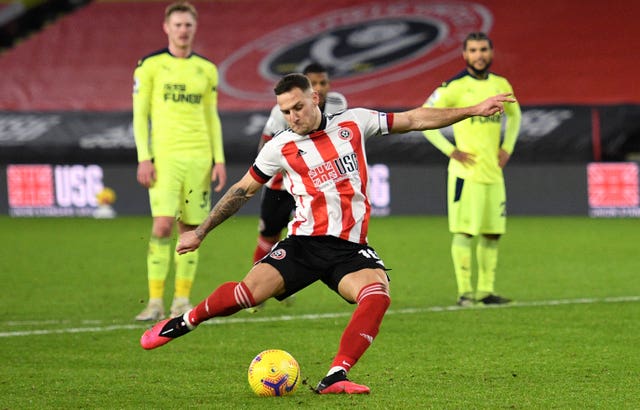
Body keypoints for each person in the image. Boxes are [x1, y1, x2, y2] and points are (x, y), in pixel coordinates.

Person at [140, 73, 514, 394]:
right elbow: (241, 191)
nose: (293, 116)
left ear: (314, 98)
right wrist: (201, 231)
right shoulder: (280, 147)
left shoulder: (354, 122)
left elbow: (415, 118)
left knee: (377, 294)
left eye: (298, 107)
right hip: (303, 245)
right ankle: (183, 322)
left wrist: (472, 109)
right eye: (286, 111)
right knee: (245, 295)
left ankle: (336, 374)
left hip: (350, 249)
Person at [132, 1, 227, 321]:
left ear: (194, 28)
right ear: (166, 28)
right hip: (166, 158)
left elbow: (211, 117)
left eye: (188, 25)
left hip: (199, 158)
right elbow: (139, 115)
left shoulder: (207, 69)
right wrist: (145, 158)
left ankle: (181, 301)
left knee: (190, 229)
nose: (183, 30)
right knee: (161, 226)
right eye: (178, 25)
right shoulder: (150, 66)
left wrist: (219, 159)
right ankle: (155, 302)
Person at [422, 32, 521, 307]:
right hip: (465, 174)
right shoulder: (454, 87)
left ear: (491, 53)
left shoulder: (501, 84)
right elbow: (424, 114)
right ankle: (465, 293)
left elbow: (516, 116)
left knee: (492, 232)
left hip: (493, 173)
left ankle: (486, 291)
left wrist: (507, 147)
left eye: (483, 50)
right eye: (473, 50)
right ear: (465, 55)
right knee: (465, 232)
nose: (479, 55)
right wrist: (450, 150)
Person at [247, 63, 347, 312]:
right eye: (314, 84)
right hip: (281, 184)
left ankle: (288, 281)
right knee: (269, 235)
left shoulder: (338, 104)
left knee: (312, 235)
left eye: (324, 83)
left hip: (315, 183)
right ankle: (255, 291)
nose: (321, 88)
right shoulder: (281, 111)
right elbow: (267, 146)